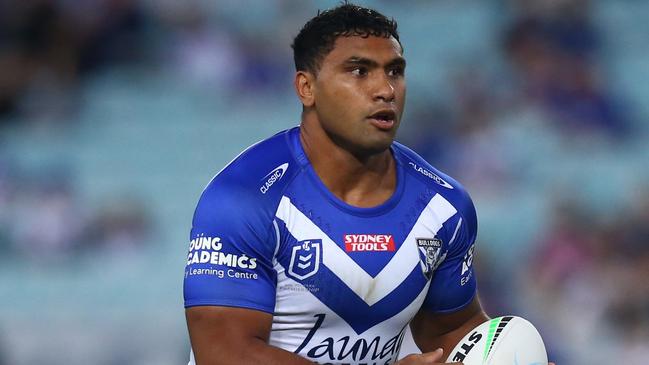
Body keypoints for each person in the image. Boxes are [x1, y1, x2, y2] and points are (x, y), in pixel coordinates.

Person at [184, 4, 553, 365]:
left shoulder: (443, 206)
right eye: (359, 71)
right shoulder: (243, 199)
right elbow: (224, 354)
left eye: (395, 71)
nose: (385, 90)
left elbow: (450, 329)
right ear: (306, 87)